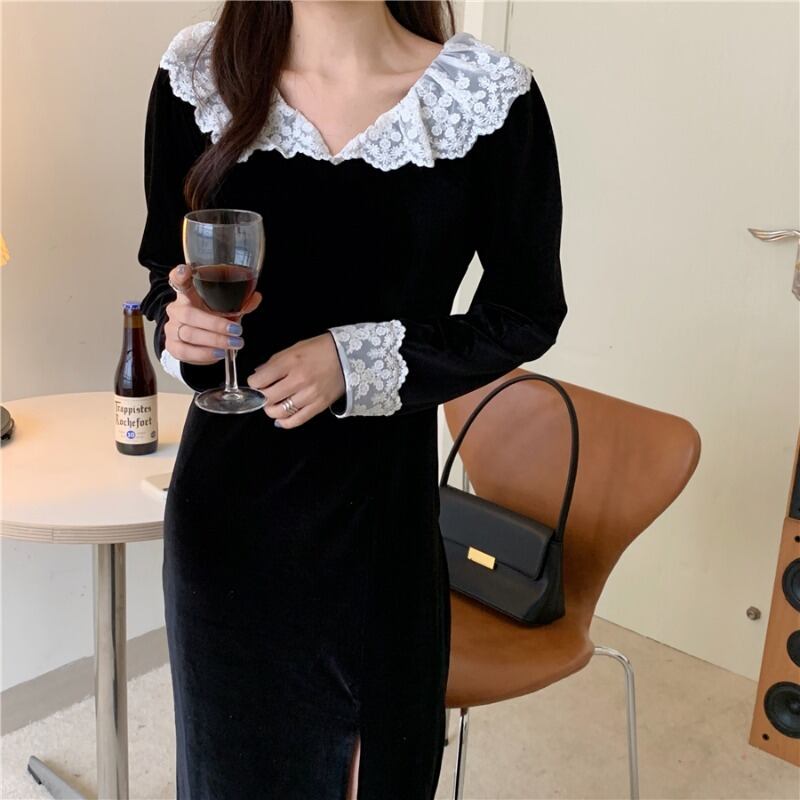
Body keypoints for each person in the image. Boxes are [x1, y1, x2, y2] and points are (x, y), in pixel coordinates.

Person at [137, 1, 567, 797]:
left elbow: (526, 312)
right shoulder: (197, 77)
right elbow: (168, 276)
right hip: (226, 524)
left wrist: (356, 360)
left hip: (378, 523)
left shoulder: (485, 97)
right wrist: (181, 329)